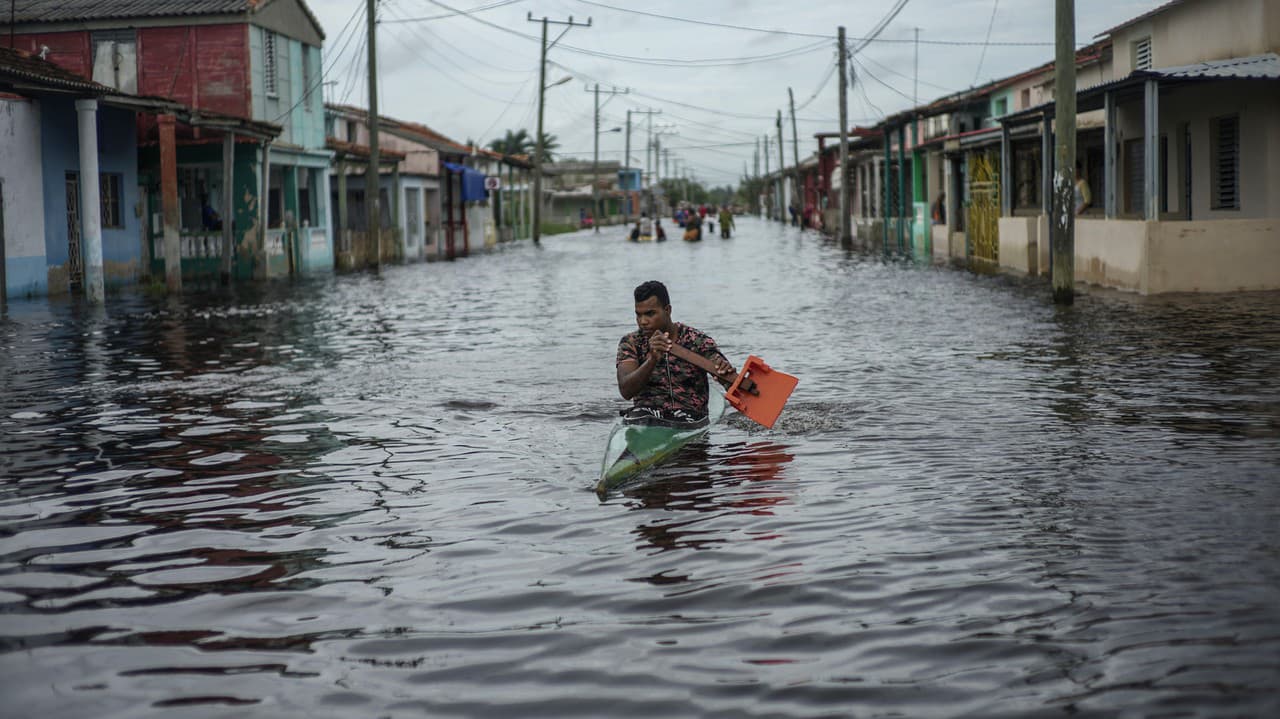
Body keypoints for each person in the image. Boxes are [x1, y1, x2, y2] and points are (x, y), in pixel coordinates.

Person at [616, 280, 736, 426]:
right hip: (645, 417)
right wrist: (652, 360)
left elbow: (731, 384)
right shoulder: (631, 343)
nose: (643, 321)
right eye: (638, 315)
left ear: (667, 310)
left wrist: (725, 371)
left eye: (650, 314)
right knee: (640, 415)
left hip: (690, 417)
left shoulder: (697, 340)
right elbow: (626, 391)